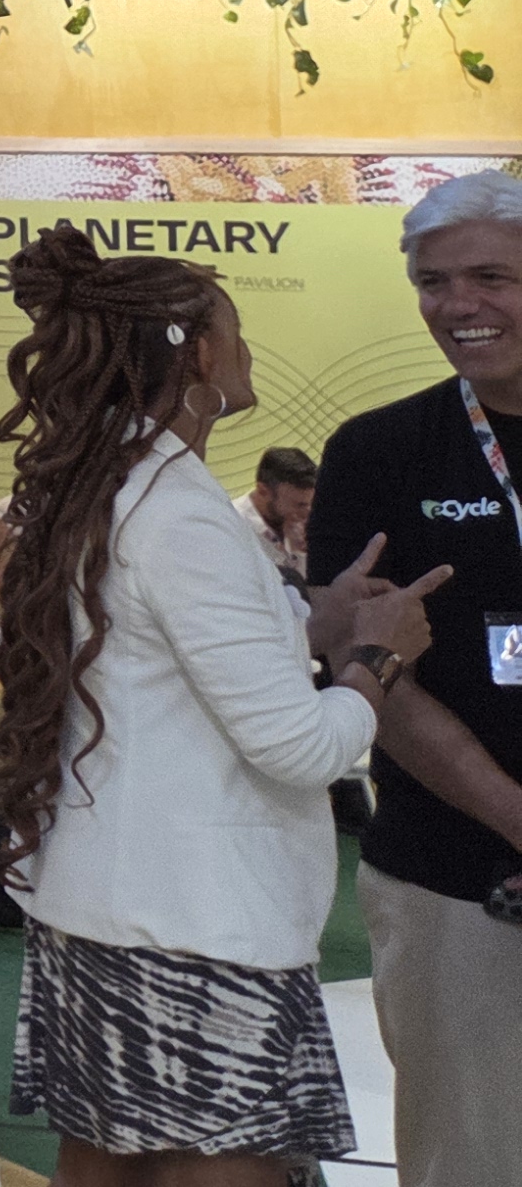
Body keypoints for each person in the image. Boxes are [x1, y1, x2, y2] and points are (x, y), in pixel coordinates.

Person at [0, 227, 444, 1187]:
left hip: (105, 903)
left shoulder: (102, 481)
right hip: (198, 923)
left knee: (102, 1162)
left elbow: (151, 664)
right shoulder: (185, 511)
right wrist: (376, 661)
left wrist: (306, 625)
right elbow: (299, 746)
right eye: (235, 328)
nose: (246, 349)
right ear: (194, 352)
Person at [306, 172, 522, 1187]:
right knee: (469, 1158)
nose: (459, 304)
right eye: (434, 281)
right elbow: (374, 675)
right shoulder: (377, 453)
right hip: (453, 884)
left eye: (490, 274)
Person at [235, 446, 317, 586]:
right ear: (263, 491)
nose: (307, 513)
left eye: (311, 502)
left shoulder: (302, 524)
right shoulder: (232, 526)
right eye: (299, 505)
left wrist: (300, 553)